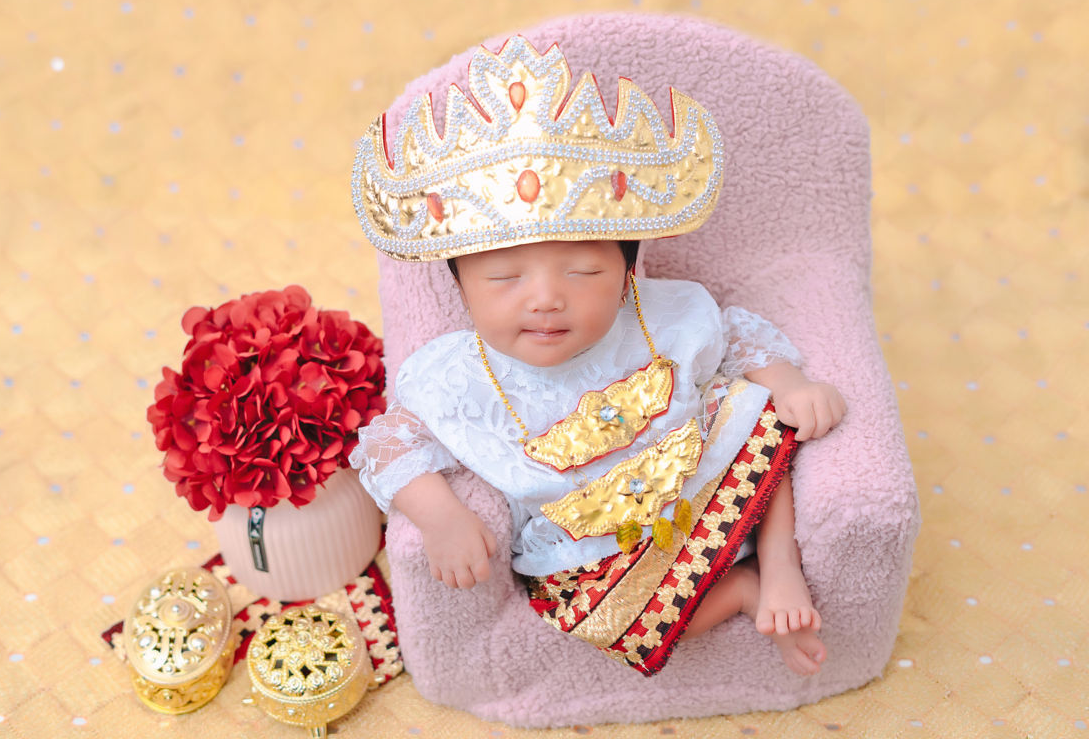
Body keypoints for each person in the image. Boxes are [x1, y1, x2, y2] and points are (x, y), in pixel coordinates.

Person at [349, 36, 846, 677]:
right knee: (596, 619)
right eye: (504, 279)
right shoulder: (453, 375)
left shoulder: (659, 317)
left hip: (702, 482)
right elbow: (388, 444)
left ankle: (779, 564)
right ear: (461, 288)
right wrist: (439, 516)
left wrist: (791, 382)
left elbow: (735, 337)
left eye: (583, 271)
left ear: (627, 273)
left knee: (754, 406)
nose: (546, 300)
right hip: (587, 547)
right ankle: (744, 592)